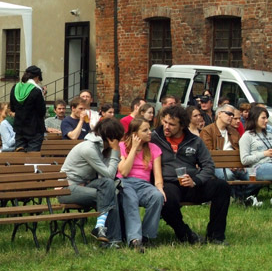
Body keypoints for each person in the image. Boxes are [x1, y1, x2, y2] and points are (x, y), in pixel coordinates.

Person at [151, 105, 231, 245]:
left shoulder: (194, 141)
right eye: (165, 122)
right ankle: (185, 234)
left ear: (182, 126)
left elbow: (208, 165)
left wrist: (196, 180)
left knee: (222, 186)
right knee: (165, 199)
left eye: (172, 124)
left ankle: (216, 236)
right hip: (167, 183)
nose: (166, 127)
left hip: (191, 183)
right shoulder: (154, 138)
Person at [58, 118, 124, 246]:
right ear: (112, 138)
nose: (119, 141)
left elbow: (106, 178)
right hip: (67, 189)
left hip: (85, 186)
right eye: (118, 138)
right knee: (110, 193)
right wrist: (115, 152)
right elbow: (110, 174)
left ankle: (103, 230)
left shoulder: (103, 148)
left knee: (109, 186)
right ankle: (112, 239)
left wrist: (112, 152)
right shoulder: (89, 148)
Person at [118, 118, 165, 251]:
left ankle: (146, 236)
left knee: (157, 197)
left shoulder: (154, 149)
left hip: (143, 184)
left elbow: (157, 175)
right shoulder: (122, 146)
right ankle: (135, 239)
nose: (150, 132)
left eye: (149, 129)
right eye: (145, 130)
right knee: (131, 198)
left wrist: (160, 188)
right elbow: (124, 172)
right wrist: (133, 149)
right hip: (125, 182)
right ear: (134, 134)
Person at [201, 105, 257, 203]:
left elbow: (242, 150)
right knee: (229, 176)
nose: (231, 117)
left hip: (236, 165)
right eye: (229, 114)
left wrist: (240, 164)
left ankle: (239, 197)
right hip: (217, 165)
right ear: (219, 114)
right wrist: (227, 164)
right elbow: (208, 154)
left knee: (256, 178)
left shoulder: (234, 132)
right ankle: (239, 198)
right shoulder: (207, 131)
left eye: (232, 114)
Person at [9, 65, 46, 151]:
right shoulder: (36, 90)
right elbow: (42, 111)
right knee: (32, 159)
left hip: (19, 129)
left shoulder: (15, 88)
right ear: (37, 77)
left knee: (19, 158)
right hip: (35, 129)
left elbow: (13, 108)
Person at [239, 106, 272, 181]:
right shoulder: (247, 136)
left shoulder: (269, 134)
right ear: (255, 118)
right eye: (263, 118)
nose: (266, 121)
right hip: (258, 167)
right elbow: (244, 160)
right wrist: (264, 154)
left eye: (267, 118)